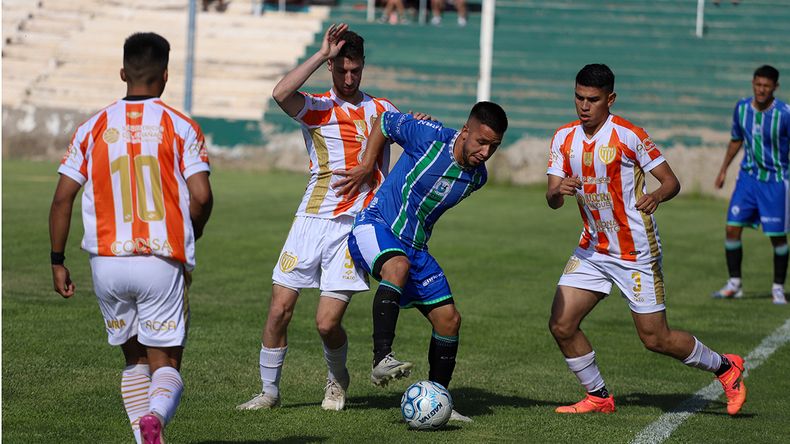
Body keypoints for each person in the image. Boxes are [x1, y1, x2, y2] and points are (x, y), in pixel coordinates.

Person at [545, 64, 746, 415]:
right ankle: (599, 396)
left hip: (635, 251)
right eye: (578, 98)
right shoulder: (564, 138)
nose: (584, 106)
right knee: (562, 324)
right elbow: (552, 197)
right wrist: (557, 192)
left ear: (611, 99)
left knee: (656, 338)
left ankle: (726, 368)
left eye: (593, 99)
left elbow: (671, 181)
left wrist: (657, 196)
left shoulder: (629, 135)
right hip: (592, 249)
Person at [49, 32, 213, 444]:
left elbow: (62, 199)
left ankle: (143, 437)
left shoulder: (92, 127)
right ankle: (155, 417)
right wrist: (192, 231)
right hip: (159, 259)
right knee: (166, 364)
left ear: (123, 73)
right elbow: (202, 195)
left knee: (133, 358)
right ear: (166, 76)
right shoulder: (180, 126)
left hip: (105, 261)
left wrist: (56, 259)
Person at [235, 23, 400, 412]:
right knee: (279, 309)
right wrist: (320, 53)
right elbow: (280, 94)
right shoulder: (318, 108)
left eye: (354, 70)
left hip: (353, 228)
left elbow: (414, 140)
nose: (348, 77)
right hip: (310, 221)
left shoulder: (382, 110)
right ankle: (269, 392)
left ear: (362, 67)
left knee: (326, 323)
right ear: (331, 67)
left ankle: (336, 379)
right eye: (341, 69)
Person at [344, 101, 508, 422]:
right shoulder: (430, 137)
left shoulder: (478, 178)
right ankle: (382, 359)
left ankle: (439, 400)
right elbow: (384, 121)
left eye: (494, 146)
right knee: (398, 267)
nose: (486, 152)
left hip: (416, 248)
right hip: (377, 224)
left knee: (449, 320)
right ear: (465, 131)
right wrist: (367, 166)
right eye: (481, 142)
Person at [712, 65, 789, 305]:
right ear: (752, 83)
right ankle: (734, 284)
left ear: (775, 87)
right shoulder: (742, 108)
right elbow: (736, 139)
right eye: (757, 84)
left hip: (775, 181)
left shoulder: (785, 114)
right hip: (748, 179)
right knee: (732, 228)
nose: (761, 90)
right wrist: (724, 168)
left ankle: (777, 287)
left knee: (777, 237)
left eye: (766, 86)